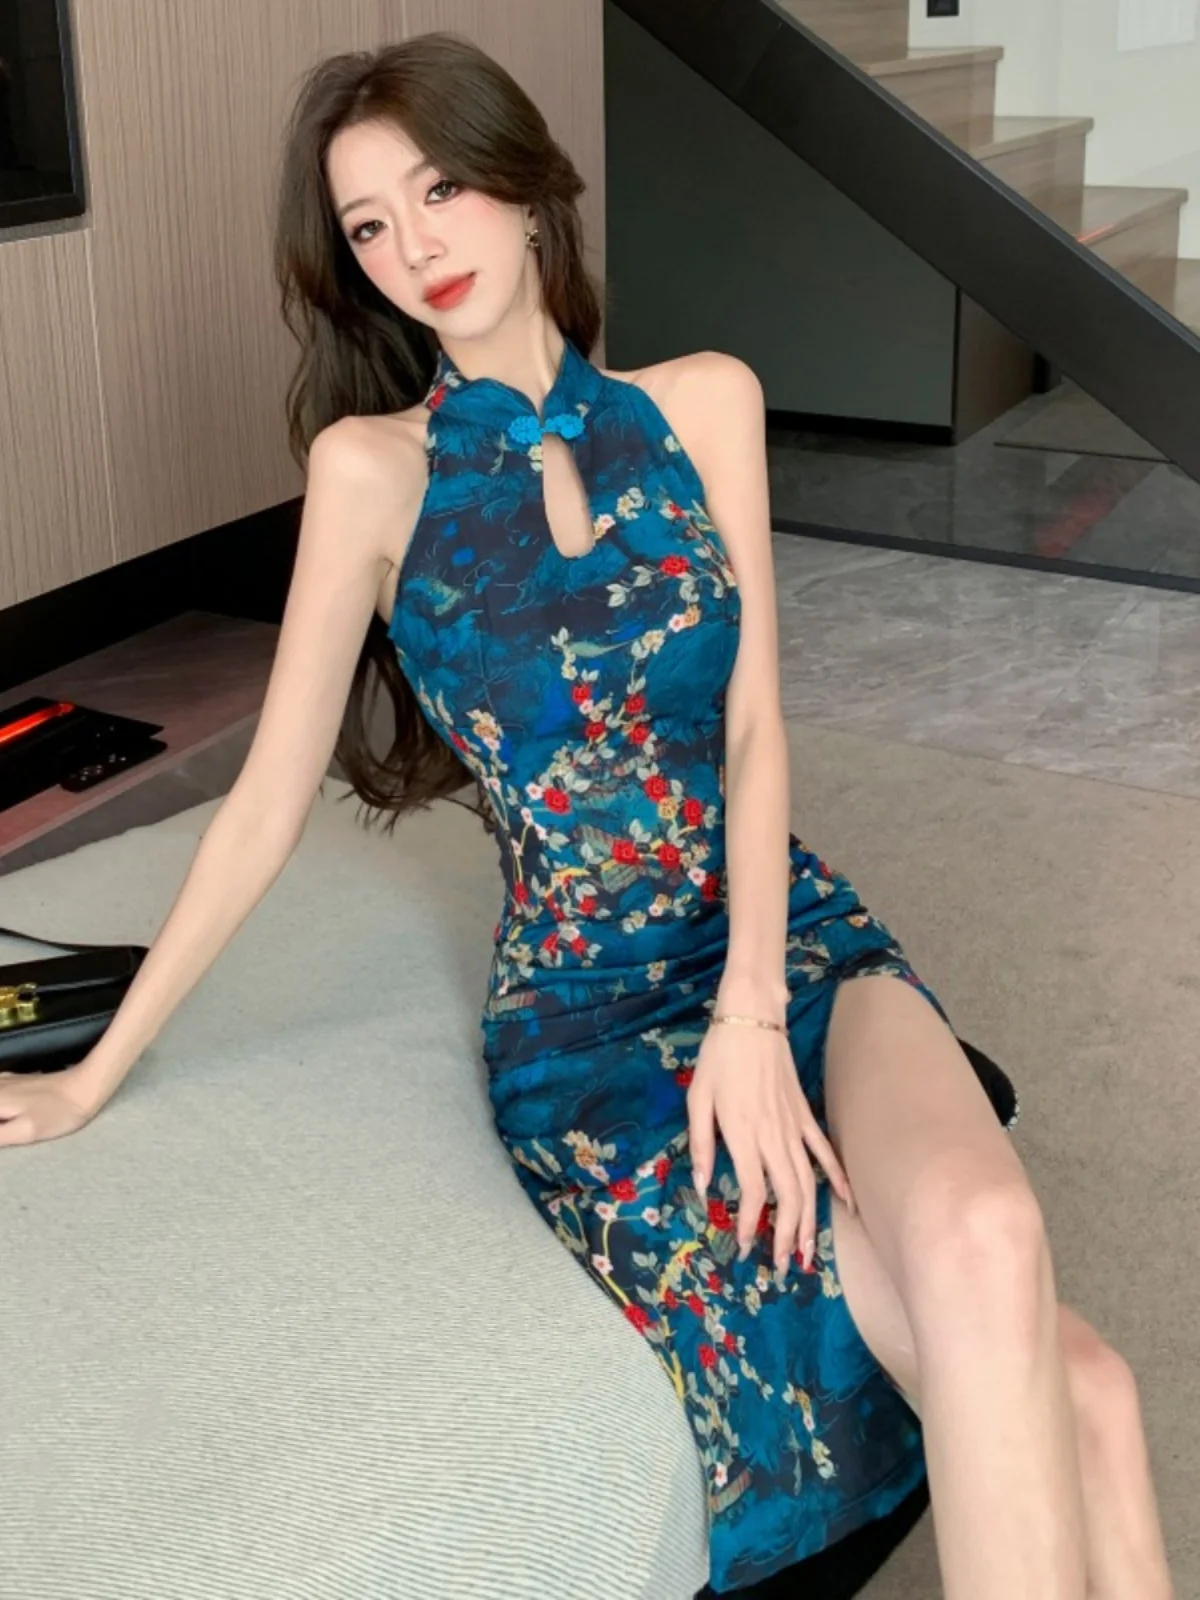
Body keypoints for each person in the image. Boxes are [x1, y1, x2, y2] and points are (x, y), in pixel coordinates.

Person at [0, 32, 1174, 1600]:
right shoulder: (371, 472)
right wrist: (93, 1075)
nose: (415, 246)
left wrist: (752, 1008)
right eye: (369, 224)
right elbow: (263, 806)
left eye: (442, 188)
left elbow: (751, 726)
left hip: (782, 936)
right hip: (588, 1021)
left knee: (991, 1244)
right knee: (1078, 1386)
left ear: (527, 186)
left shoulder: (706, 402)